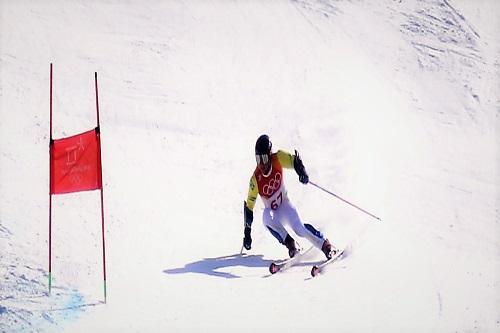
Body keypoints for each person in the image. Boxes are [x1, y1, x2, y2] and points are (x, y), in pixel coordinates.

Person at [242, 134, 337, 259]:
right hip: (273, 213)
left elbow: (295, 161)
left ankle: (326, 245)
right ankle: (292, 245)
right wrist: (247, 233)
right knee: (266, 217)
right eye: (258, 159)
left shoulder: (278, 158)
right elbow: (249, 206)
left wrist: (302, 172)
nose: (261, 164)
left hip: (285, 205)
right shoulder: (255, 179)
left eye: (264, 159)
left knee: (300, 229)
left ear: (270, 155)